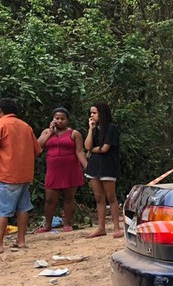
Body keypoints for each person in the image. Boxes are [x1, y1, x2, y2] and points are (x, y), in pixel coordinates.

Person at [35, 107, 87, 233]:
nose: (59, 121)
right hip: (53, 170)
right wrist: (50, 132)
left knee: (69, 197)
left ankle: (67, 223)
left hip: (71, 169)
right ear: (53, 119)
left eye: (62, 119)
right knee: (50, 199)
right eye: (57, 118)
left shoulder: (74, 134)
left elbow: (79, 151)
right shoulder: (47, 132)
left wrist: (87, 167)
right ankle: (47, 225)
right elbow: (38, 145)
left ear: (67, 120)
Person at [0, 98, 42, 252]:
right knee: (22, 208)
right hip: (24, 174)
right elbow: (36, 150)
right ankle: (21, 241)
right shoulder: (26, 126)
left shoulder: (2, 124)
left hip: (7, 174)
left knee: (3, 210)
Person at [83, 101, 123, 238]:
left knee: (111, 197)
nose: (91, 115)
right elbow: (87, 146)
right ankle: (101, 228)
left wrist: (93, 150)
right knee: (99, 198)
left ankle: (117, 228)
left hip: (107, 166)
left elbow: (105, 148)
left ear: (102, 113)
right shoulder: (94, 129)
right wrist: (90, 129)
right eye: (91, 113)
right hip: (94, 166)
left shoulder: (112, 128)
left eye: (94, 113)